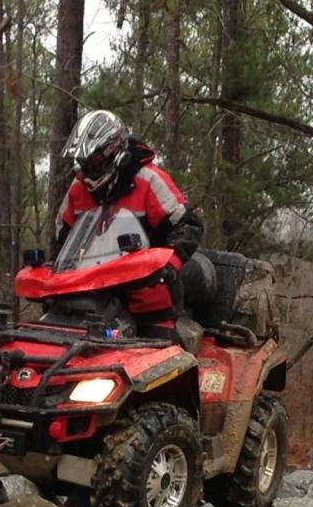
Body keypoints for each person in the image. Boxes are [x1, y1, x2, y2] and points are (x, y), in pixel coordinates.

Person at [54, 109, 203, 337]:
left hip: (150, 301)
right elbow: (61, 241)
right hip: (91, 299)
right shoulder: (78, 189)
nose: (87, 168)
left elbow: (187, 226)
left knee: (159, 361)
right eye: (83, 161)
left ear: (113, 152)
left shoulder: (148, 180)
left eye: (93, 160)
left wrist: (167, 264)